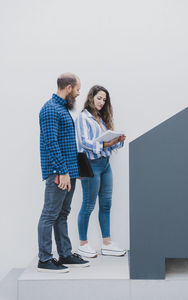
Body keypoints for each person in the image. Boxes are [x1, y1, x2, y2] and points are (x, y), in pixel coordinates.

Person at [37, 73, 90, 273]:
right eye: (77, 89)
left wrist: (76, 170)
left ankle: (65, 255)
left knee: (62, 214)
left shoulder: (62, 108)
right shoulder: (51, 109)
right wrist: (63, 171)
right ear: (68, 87)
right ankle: (44, 259)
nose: (78, 94)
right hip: (58, 172)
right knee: (50, 215)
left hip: (68, 171)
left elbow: (68, 143)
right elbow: (52, 144)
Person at [75, 85, 126, 258]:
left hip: (105, 165)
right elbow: (84, 143)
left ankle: (107, 243)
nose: (102, 102)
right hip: (91, 165)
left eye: (104, 100)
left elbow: (109, 145)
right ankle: (83, 244)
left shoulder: (101, 119)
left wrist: (118, 140)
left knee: (106, 204)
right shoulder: (83, 117)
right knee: (88, 205)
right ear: (91, 97)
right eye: (99, 98)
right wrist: (105, 144)